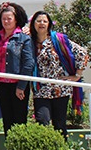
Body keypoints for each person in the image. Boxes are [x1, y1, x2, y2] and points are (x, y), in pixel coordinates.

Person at [29, 11, 88, 139]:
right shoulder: (30, 42)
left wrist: (77, 75)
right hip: (41, 89)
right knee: (42, 121)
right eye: (38, 21)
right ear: (33, 24)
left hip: (60, 89)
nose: (41, 23)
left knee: (59, 124)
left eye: (45, 21)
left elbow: (82, 53)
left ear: (49, 24)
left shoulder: (58, 40)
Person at [0, 2, 34, 150]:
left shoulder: (23, 38)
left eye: (9, 18)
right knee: (7, 119)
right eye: (4, 19)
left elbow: (28, 63)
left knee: (19, 119)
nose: (6, 21)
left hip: (17, 85)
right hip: (1, 84)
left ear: (16, 20)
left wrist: (21, 86)